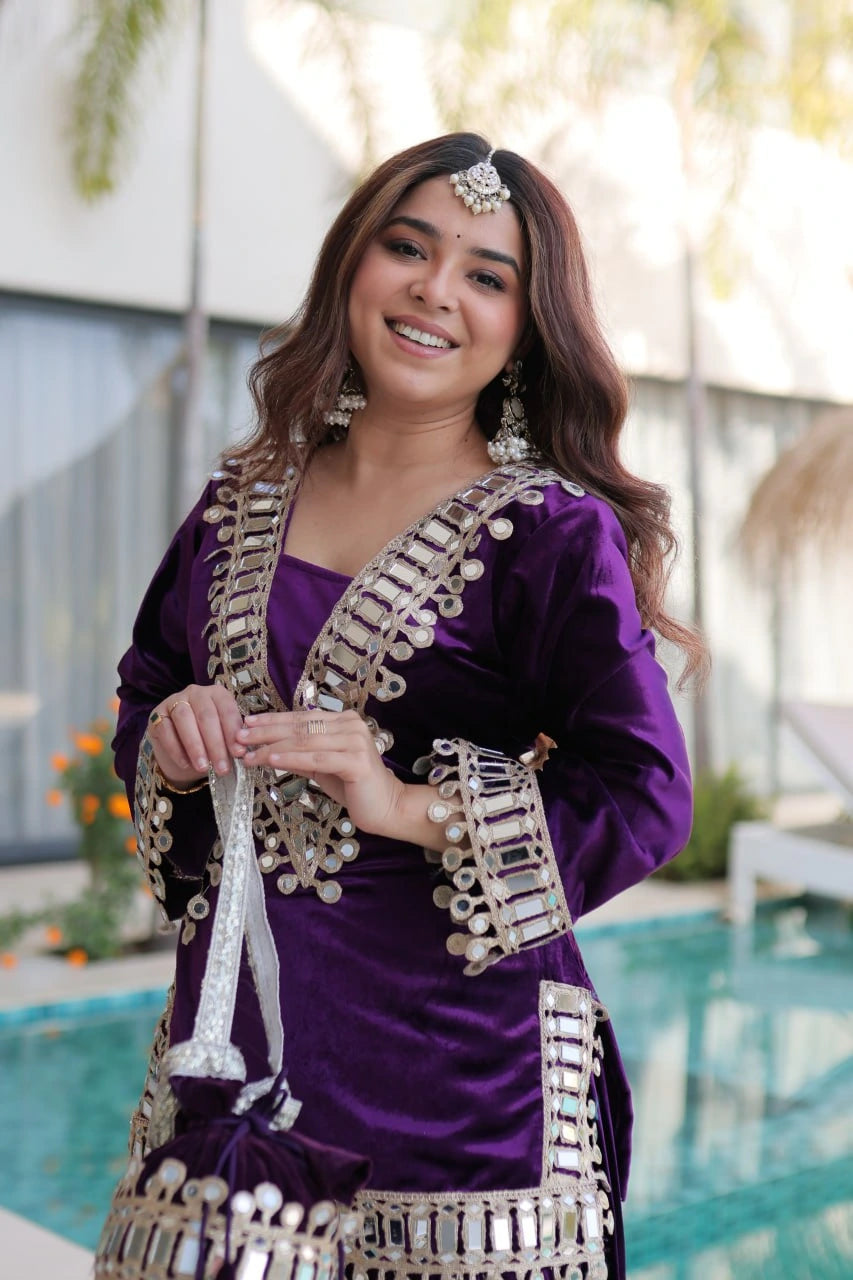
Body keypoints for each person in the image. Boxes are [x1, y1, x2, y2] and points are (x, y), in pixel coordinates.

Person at [111, 133, 698, 1280]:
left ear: (527, 328)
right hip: (238, 1058)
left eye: (487, 275)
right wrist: (173, 744)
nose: (436, 291)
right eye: (408, 248)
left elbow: (644, 791)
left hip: (461, 1096)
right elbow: (143, 686)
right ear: (353, 268)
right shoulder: (238, 502)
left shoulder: (548, 535)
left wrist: (401, 801)